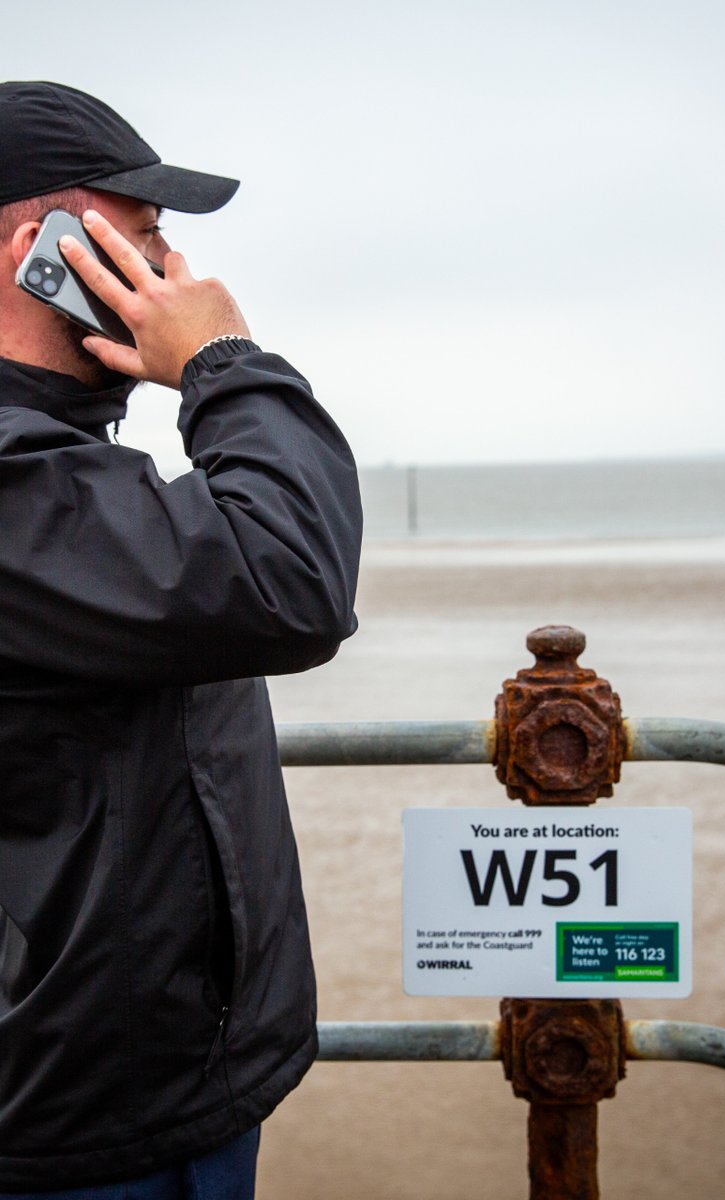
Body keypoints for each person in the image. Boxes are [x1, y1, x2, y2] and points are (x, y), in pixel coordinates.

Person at [0, 82, 362, 1197]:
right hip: (76, 1123)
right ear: (38, 250)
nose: (179, 272)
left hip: (152, 1089)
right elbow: (289, 578)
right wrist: (224, 361)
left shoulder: (64, 463)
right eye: (147, 232)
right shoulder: (18, 486)